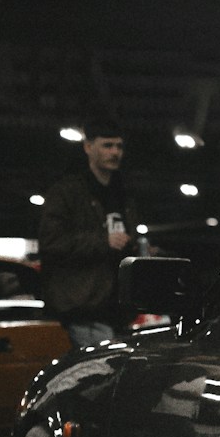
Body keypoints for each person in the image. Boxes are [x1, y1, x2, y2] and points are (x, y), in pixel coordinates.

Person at [38, 122, 141, 347]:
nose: (115, 152)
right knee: (100, 375)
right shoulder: (67, 192)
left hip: (117, 312)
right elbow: (50, 242)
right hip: (84, 310)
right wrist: (103, 242)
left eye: (119, 146)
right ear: (88, 147)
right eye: (107, 145)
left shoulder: (123, 194)